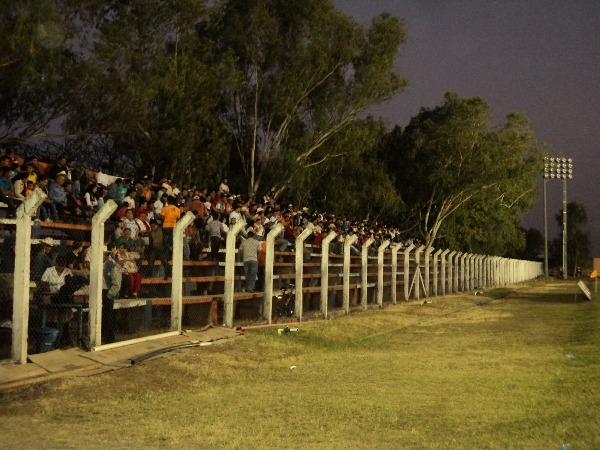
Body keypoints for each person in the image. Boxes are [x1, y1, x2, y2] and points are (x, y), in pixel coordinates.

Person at [102, 244, 121, 344]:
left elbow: (117, 282)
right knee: (106, 315)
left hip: (107, 291)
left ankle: (109, 337)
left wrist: (109, 294)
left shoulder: (110, 264)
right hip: (103, 291)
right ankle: (106, 336)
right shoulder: (105, 264)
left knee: (108, 315)